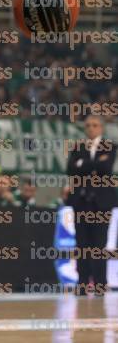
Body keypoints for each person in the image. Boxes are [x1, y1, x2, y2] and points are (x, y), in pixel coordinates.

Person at [67, 115, 117, 295]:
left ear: (101, 128)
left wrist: (83, 165)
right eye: (87, 125)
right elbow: (71, 169)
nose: (90, 128)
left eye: (94, 125)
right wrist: (95, 164)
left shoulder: (110, 146)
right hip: (81, 201)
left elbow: (106, 168)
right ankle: (82, 284)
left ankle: (100, 285)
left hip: (102, 203)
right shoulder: (78, 147)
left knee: (99, 245)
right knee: (82, 245)